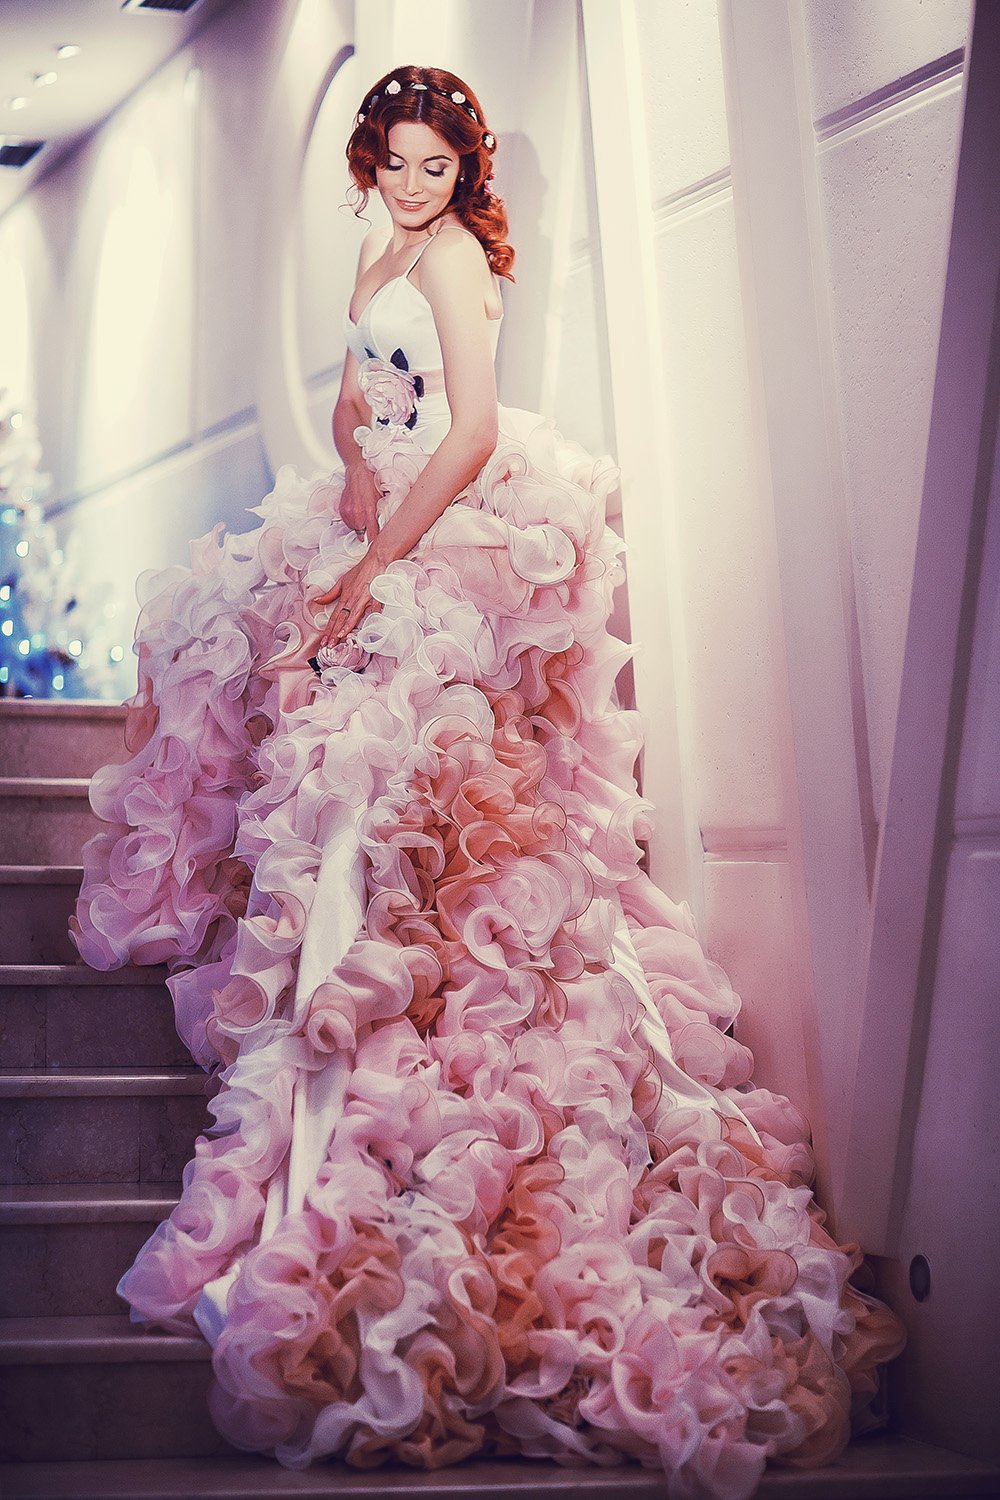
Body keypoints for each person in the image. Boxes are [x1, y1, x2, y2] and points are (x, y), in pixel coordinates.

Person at [71, 64, 906, 1499]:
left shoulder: (453, 260)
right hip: (375, 513)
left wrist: (380, 558)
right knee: (239, 665)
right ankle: (323, 983)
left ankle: (380, 1029)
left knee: (391, 784)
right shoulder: (377, 242)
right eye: (396, 165)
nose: (415, 188)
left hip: (439, 533)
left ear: (465, 177)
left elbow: (467, 429)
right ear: (368, 164)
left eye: (437, 169)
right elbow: (364, 396)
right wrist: (349, 463)